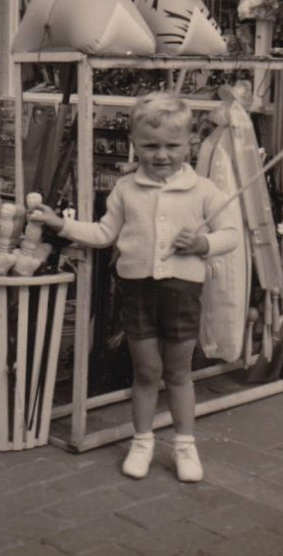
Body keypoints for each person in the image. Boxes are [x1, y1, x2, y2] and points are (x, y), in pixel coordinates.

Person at [33, 92, 238, 483]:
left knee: (178, 372)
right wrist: (61, 224)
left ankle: (184, 445)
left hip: (182, 292)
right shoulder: (126, 189)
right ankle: (141, 441)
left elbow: (230, 235)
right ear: (135, 143)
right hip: (137, 291)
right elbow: (104, 233)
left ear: (190, 143)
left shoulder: (204, 191)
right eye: (150, 146)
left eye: (172, 146)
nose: (161, 155)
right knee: (146, 370)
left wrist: (202, 245)